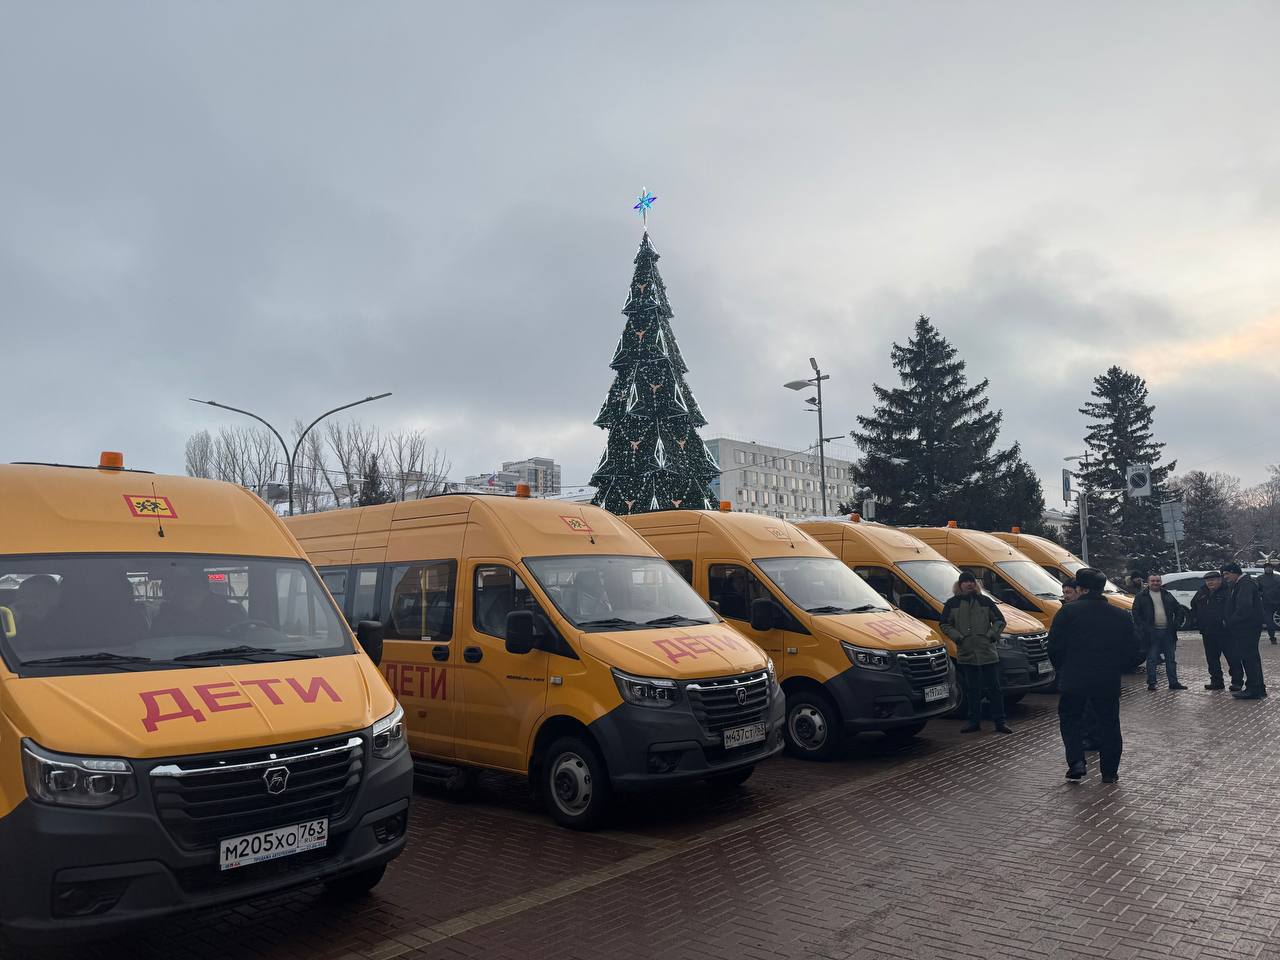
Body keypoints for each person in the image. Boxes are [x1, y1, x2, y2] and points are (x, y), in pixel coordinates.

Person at [1048, 567, 1133, 783]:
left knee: (1071, 720)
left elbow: (1054, 647)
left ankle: (1076, 761)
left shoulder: (1067, 612)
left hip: (1074, 678)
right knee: (1109, 725)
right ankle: (1109, 772)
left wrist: (1063, 668)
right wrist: (1115, 667)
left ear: (1081, 589)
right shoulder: (1120, 615)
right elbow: (1132, 649)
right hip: (1107, 679)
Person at [941, 571, 1012, 735]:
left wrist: (991, 636)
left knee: (995, 689)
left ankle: (1000, 721)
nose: (969, 584)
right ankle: (974, 722)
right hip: (967, 653)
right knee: (973, 690)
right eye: (965, 581)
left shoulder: (985, 601)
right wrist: (958, 638)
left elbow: (1000, 620)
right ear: (960, 585)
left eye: (972, 581)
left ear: (976, 583)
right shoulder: (952, 603)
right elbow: (944, 624)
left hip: (987, 652)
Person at [150, 567, 245, 638]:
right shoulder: (166, 616)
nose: (185, 595)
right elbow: (155, 645)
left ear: (204, 590)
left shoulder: (231, 613)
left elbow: (248, 639)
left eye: (191, 589)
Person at [1133, 573, 1187, 691]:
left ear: (1161, 582)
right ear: (1148, 582)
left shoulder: (1167, 595)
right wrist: (1144, 628)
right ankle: (1151, 683)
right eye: (1153, 581)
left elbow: (1179, 610)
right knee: (1152, 659)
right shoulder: (1141, 596)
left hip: (1168, 632)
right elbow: (1136, 615)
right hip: (1151, 634)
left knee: (1171, 659)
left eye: (1157, 581)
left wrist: (1176, 624)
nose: (1155, 583)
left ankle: (1174, 683)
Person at [1223, 562, 1267, 699]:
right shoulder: (1240, 584)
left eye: (1227, 574)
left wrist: (1231, 621)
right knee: (1251, 657)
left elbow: (1244, 607)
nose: (1225, 577)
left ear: (1235, 572)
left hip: (1247, 628)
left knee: (1249, 658)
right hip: (1246, 627)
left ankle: (1254, 689)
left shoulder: (1245, 584)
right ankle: (1257, 687)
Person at [1191, 570, 1237, 691]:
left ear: (1220, 580)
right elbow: (1193, 606)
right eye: (1207, 580)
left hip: (1225, 632)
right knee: (1212, 659)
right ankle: (1216, 681)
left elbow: (1234, 608)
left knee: (1232, 658)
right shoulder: (1202, 592)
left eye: (1213, 580)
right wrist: (1197, 620)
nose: (1210, 582)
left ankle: (1237, 682)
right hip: (1208, 631)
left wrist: (1227, 622)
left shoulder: (1228, 591)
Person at [1259, 562, 1280, 645]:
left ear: (1272, 568)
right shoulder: (1260, 578)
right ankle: (1272, 638)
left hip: (1278, 602)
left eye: (1270, 567)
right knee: (1269, 622)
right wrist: (1262, 594)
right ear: (1264, 569)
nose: (1268, 569)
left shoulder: (1278, 578)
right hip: (1267, 603)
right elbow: (1257, 590)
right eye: (1266, 568)